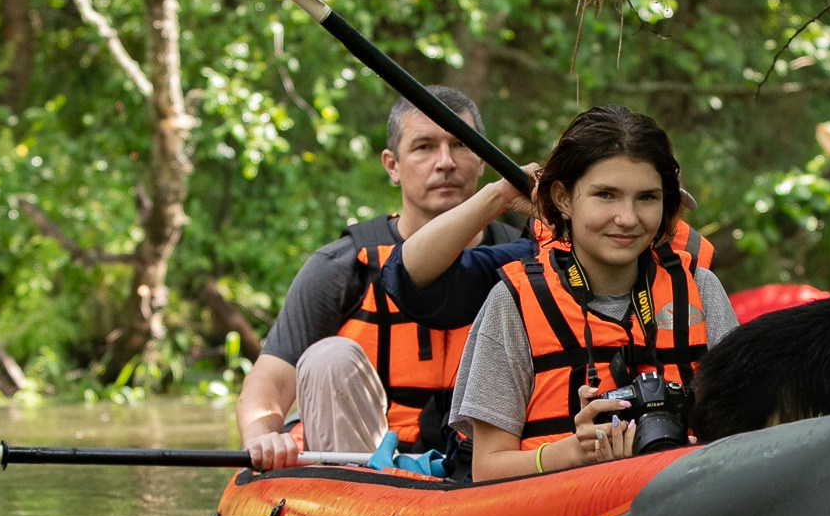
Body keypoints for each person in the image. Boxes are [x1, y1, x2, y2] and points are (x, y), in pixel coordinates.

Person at [393, 106, 737, 480]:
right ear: (563, 198)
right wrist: (574, 452)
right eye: (606, 195)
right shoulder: (514, 301)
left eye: (647, 198)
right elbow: (487, 469)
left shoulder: (700, 289)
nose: (627, 217)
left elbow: (748, 433)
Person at [235, 87, 514, 470]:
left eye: (460, 145)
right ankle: (349, 505)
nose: (445, 162)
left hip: (484, 470)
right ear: (392, 165)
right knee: (327, 357)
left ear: (482, 159)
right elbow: (272, 378)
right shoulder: (341, 266)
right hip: (365, 468)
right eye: (424, 147)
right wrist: (262, 437)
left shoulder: (528, 259)